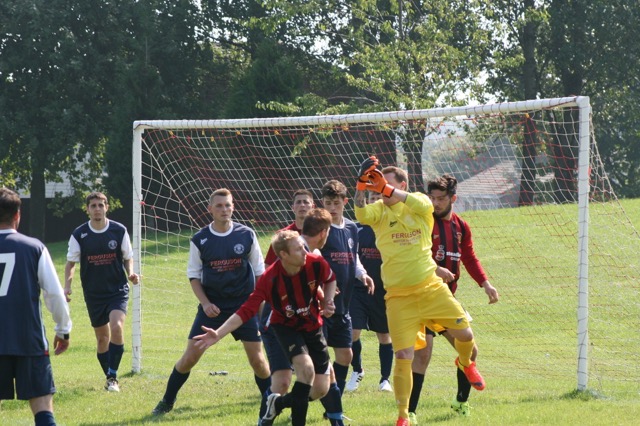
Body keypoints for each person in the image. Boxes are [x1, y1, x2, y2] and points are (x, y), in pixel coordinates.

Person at [354, 157, 486, 426]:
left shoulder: (421, 204)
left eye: (387, 184)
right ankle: (403, 416)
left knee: (466, 335)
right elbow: (360, 213)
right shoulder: (379, 210)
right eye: (377, 184)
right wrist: (360, 185)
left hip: (431, 289)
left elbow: (415, 201)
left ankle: (465, 364)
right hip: (398, 298)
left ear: (403, 185)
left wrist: (386, 188)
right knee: (405, 356)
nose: (380, 189)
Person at [192, 229, 338, 426]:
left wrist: (328, 300)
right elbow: (245, 311)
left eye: (304, 247)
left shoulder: (316, 262)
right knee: (306, 369)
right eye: (299, 249)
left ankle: (277, 403)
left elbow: (330, 279)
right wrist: (218, 334)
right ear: (283, 255)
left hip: (312, 326)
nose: (305, 252)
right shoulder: (270, 279)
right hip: (286, 327)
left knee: (321, 389)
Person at [152, 188, 271, 416]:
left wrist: (257, 305)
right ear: (210, 210)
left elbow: (259, 273)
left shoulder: (247, 234)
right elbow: (194, 276)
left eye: (228, 205)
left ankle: (269, 404)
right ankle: (166, 401)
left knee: (258, 360)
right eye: (219, 206)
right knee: (189, 358)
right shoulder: (200, 239)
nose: (224, 209)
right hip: (213, 308)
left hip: (244, 307)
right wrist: (206, 304)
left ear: (233, 207)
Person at [407, 174, 499, 422]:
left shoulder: (461, 227)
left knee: (471, 349)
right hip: (423, 298)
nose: (435, 203)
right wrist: (435, 269)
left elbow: (469, 256)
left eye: (440, 199)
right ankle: (410, 413)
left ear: (453, 198)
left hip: (447, 300)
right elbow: (413, 253)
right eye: (432, 198)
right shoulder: (424, 222)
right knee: (422, 355)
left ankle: (460, 403)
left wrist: (485, 284)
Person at [0, 188, 72, 426]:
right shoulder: (34, 248)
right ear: (18, 215)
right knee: (42, 406)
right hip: (28, 339)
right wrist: (63, 330)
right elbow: (54, 294)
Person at [64, 191, 139, 392]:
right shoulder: (79, 234)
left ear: (107, 207)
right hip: (93, 293)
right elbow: (71, 263)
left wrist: (131, 273)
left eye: (100, 205)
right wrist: (67, 285)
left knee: (116, 327)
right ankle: (109, 377)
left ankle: (113, 377)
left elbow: (127, 257)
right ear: (87, 209)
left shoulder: (119, 230)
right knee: (102, 339)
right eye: (93, 205)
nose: (97, 209)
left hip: (117, 289)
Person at [319, 180, 374, 399]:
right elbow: (311, 258)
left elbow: (354, 257)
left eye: (336, 203)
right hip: (323, 305)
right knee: (320, 359)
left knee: (345, 356)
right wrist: (323, 288)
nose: (332, 208)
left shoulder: (352, 227)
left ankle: (333, 402)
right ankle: (329, 405)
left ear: (345, 202)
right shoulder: (319, 228)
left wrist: (362, 274)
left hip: (343, 305)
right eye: (328, 203)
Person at [346, 190, 394, 393]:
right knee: (353, 333)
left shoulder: (392, 228)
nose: (375, 203)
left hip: (383, 290)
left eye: (379, 199)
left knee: (384, 336)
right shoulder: (356, 228)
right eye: (372, 199)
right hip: (358, 289)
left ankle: (385, 380)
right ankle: (357, 370)